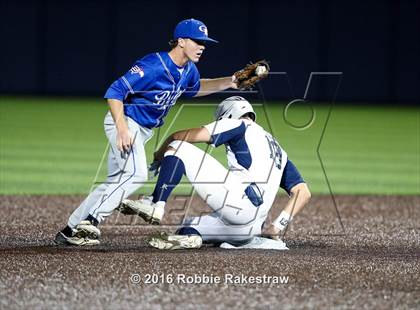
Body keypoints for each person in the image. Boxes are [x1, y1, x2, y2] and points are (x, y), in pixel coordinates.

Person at [54, 18, 240, 246]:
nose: (202, 46)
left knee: (115, 181)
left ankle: (70, 229)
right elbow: (115, 91)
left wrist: (230, 82)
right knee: (137, 174)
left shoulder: (189, 70)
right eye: (197, 41)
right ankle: (91, 221)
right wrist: (122, 129)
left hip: (143, 130)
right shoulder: (153, 65)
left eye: (204, 42)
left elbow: (197, 87)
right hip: (126, 122)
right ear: (181, 41)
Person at [119, 96, 311, 250]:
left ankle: (155, 203)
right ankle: (193, 238)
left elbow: (179, 136)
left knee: (178, 147)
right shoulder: (277, 149)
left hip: (241, 204)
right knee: (189, 227)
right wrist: (275, 228)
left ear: (227, 116)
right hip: (250, 228)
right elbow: (302, 192)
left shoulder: (238, 124)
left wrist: (159, 155)